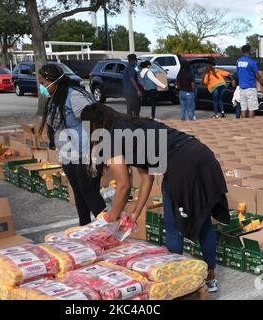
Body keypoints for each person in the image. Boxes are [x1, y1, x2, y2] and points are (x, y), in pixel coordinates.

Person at [81, 103, 230, 293]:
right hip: (203, 155)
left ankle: (173, 281)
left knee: (173, 227)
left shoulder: (110, 137)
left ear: (93, 126)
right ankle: (210, 276)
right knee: (203, 220)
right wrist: (135, 213)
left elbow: (123, 185)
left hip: (183, 166)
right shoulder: (132, 124)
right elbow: (147, 177)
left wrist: (110, 222)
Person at [38, 63, 106, 226]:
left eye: (44, 84)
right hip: (69, 153)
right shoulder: (55, 98)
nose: (42, 87)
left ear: (53, 81)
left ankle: (108, 228)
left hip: (86, 152)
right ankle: (84, 226)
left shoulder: (74, 96)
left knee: (90, 193)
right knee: (79, 192)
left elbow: (95, 120)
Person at [236, 45, 263, 119]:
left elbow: (239, 73)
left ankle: (243, 126)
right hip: (250, 88)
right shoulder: (252, 62)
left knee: (243, 109)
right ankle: (251, 126)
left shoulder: (238, 61)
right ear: (249, 51)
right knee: (251, 109)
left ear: (242, 51)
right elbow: (258, 76)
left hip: (241, 88)